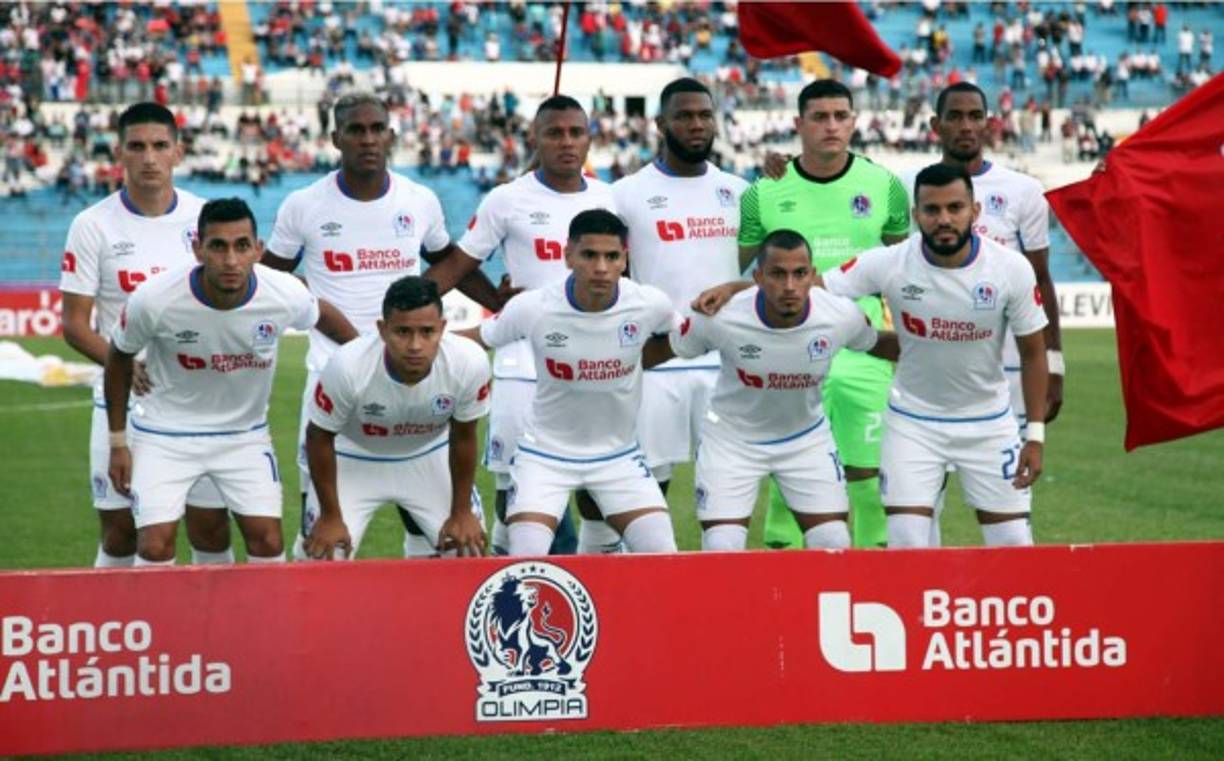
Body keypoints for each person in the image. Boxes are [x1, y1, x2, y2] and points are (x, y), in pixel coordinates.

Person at [260, 92, 498, 560]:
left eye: (376, 129)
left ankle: (422, 572)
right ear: (336, 138)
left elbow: (451, 262)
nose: (367, 139)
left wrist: (498, 300)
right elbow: (271, 276)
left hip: (415, 373)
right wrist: (316, 309)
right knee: (323, 552)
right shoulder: (304, 205)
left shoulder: (418, 200)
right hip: (337, 379)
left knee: (456, 546)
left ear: (391, 135)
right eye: (355, 130)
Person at [104, 198, 356, 565]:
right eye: (218, 246)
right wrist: (117, 442)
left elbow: (325, 317)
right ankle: (167, 623)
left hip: (244, 435)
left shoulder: (284, 292)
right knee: (154, 546)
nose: (231, 260)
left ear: (258, 249)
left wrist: (367, 357)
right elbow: (118, 356)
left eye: (241, 246)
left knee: (268, 541)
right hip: (164, 434)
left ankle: (263, 622)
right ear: (198, 249)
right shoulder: (154, 299)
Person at [426, 95, 616, 556]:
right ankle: (506, 569)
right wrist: (410, 309)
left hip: (597, 364)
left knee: (597, 490)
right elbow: (459, 263)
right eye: (554, 132)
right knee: (514, 484)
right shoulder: (508, 199)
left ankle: (592, 589)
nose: (567, 142)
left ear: (590, 138)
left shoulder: (611, 198)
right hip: (522, 365)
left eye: (576, 132)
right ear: (536, 138)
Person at [821, 164, 1049, 548]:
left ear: (974, 212)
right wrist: (735, 290)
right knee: (908, 544)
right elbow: (811, 290)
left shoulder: (1010, 268)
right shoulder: (889, 261)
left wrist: (1036, 437)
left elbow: (1033, 352)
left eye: (955, 208)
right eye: (932, 210)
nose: (944, 219)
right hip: (913, 423)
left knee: (1013, 544)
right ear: (916, 216)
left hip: (989, 423)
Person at [735, 79, 910, 550]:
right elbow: (737, 270)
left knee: (870, 472)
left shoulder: (885, 186)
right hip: (787, 350)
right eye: (819, 117)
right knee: (790, 468)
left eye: (840, 116)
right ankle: (784, 585)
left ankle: (875, 576)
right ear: (798, 124)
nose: (831, 126)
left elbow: (904, 268)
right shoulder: (764, 192)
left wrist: (906, 335)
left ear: (854, 121)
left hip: (865, 348)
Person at [59, 103, 231, 569]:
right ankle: (118, 638)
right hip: (123, 404)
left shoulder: (206, 218)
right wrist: (123, 364)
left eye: (159, 146)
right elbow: (74, 323)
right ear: (119, 153)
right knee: (121, 534)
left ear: (178, 152)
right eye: (137, 146)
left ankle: (217, 635)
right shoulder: (92, 224)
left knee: (210, 527)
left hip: (199, 402)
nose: (149, 158)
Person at [458, 209, 679, 555]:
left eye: (612, 256)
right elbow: (478, 337)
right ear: (567, 256)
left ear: (625, 259)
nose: (601, 268)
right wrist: (420, 342)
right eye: (589, 255)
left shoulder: (650, 304)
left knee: (665, 559)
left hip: (618, 456)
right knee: (526, 561)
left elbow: (685, 337)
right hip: (544, 455)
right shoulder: (533, 308)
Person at [661, 230, 897, 551]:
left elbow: (876, 344)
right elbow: (670, 347)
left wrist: (939, 348)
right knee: (721, 548)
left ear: (812, 275)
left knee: (833, 543)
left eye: (799, 274)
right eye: (777, 274)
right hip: (732, 442)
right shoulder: (721, 317)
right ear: (758, 277)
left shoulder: (840, 316)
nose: (789, 286)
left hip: (805, 440)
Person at [912, 82, 1065, 544]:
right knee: (920, 502)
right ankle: (920, 596)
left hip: (1009, 370)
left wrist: (1054, 363)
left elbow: (1040, 279)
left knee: (1009, 500)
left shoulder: (1023, 191)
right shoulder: (910, 188)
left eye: (974, 115)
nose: (965, 125)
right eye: (954, 116)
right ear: (936, 126)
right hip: (931, 369)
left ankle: (1012, 597)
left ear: (988, 123)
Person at [611, 77, 748, 497]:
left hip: (725, 361)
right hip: (656, 360)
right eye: (684, 116)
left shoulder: (739, 191)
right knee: (646, 487)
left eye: (705, 115)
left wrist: (735, 288)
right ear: (660, 123)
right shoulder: (625, 194)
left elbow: (772, 271)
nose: (696, 124)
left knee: (725, 486)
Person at [301, 276, 490, 560]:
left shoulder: (468, 361)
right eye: (402, 332)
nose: (415, 345)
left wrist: (461, 511)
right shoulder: (348, 366)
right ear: (382, 329)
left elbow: (463, 436)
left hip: (428, 454)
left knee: (467, 549)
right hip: (354, 457)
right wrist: (330, 516)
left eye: (427, 332)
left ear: (442, 328)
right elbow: (319, 437)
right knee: (324, 555)